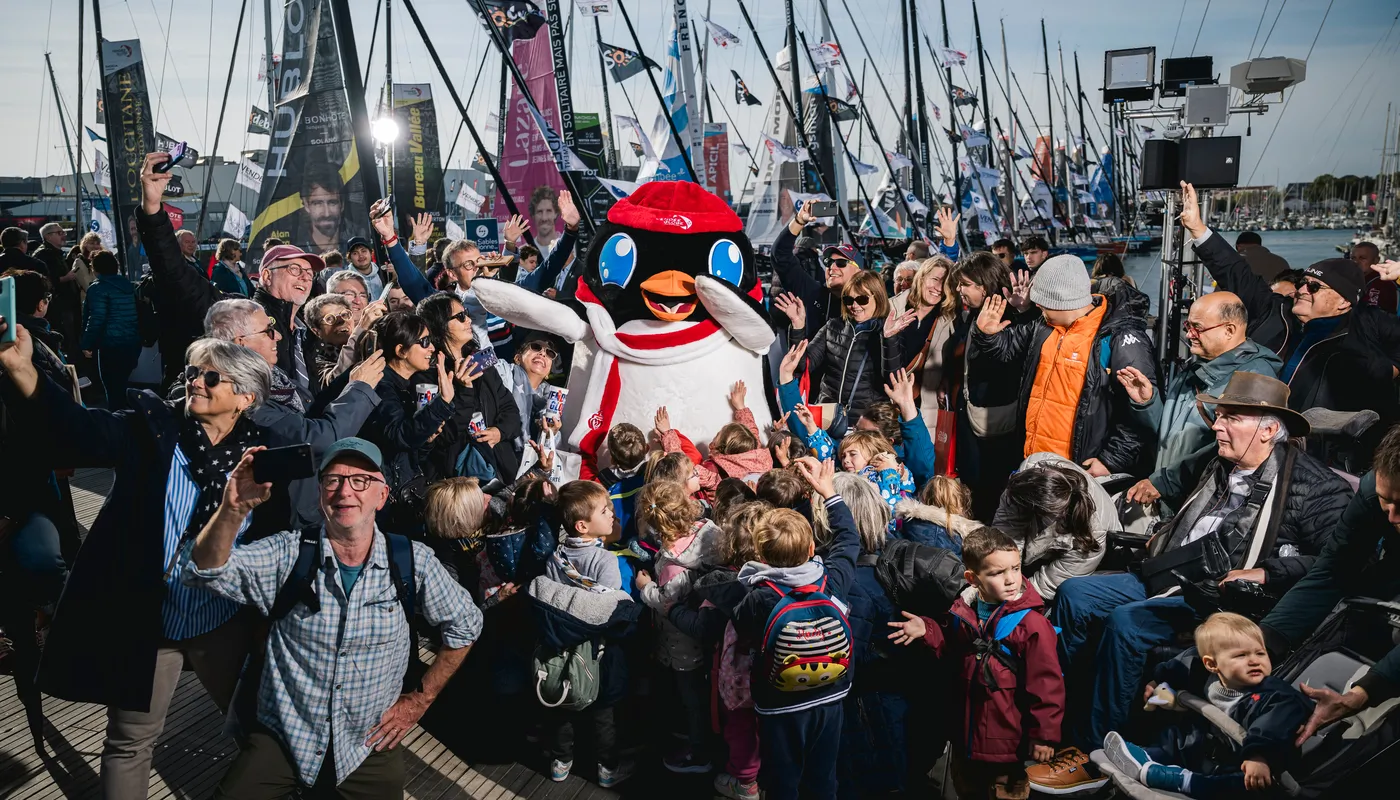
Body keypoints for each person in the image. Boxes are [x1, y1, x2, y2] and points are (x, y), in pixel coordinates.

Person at [0, 331, 282, 799]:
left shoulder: (266, 452)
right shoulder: (152, 429)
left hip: (221, 617)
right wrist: (21, 369)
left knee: (257, 728)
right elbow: (77, 428)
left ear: (245, 397)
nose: (196, 381)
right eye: (193, 372)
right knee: (129, 742)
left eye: (212, 376)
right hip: (149, 620)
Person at [1039, 373, 1349, 786]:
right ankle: (1056, 725)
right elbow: (1177, 498)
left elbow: (1338, 562)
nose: (1217, 426)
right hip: (1168, 571)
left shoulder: (1316, 488)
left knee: (1129, 624)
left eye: (1230, 418)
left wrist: (1267, 570)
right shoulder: (1217, 462)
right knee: (1076, 592)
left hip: (1221, 599)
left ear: (1269, 429)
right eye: (1218, 416)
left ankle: (1098, 752)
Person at [183, 437, 483, 796]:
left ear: (382, 496)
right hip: (285, 737)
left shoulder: (412, 561)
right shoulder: (289, 553)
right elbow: (202, 571)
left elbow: (466, 624)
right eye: (333, 480)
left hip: (366, 744)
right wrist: (232, 510)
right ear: (320, 494)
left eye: (361, 481)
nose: (345, 491)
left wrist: (421, 699)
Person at [1181, 181, 1400, 430]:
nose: (1302, 290)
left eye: (1315, 287)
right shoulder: (1277, 311)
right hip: (1258, 437)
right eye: (1303, 282)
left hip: (1321, 451)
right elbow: (1235, 271)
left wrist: (1392, 369)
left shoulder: (1363, 329)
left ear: (1342, 302)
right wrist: (1198, 229)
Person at [887, 526, 1063, 800]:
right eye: (997, 573)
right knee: (967, 790)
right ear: (973, 578)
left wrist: (1044, 735)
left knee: (1005, 794)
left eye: (1015, 569)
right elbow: (950, 646)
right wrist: (927, 628)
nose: (1010, 580)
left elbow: (1047, 684)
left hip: (1006, 747)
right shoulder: (963, 611)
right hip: (965, 740)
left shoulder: (1031, 625)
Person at [139, 151, 323, 398]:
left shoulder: (306, 329)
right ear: (266, 276)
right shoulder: (237, 314)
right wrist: (152, 210)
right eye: (294, 269)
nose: (305, 277)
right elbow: (174, 273)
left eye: (309, 273)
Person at [1258, 423, 1400, 743]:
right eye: (1385, 501)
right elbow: (1332, 571)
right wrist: (1261, 642)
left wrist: (1364, 692)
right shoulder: (1374, 488)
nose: (1391, 517)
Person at [201, 297, 385, 535]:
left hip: (301, 506)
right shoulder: (240, 395)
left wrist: (352, 378)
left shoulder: (272, 375)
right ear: (241, 343)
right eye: (268, 331)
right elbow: (315, 437)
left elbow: (311, 412)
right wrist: (359, 391)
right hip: (280, 524)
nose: (277, 336)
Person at [732, 457, 857, 800]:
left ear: (760, 553)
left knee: (783, 777)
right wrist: (828, 492)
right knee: (823, 774)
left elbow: (741, 626)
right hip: (831, 696)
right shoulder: (832, 582)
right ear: (813, 548)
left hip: (779, 703)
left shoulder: (760, 596)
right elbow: (849, 537)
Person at [970, 253, 1157, 478]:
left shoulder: (1121, 339)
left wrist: (1110, 462)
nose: (1038, 305)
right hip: (1034, 461)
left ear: (1062, 300)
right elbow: (1008, 349)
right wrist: (986, 334)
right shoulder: (1045, 325)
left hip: (1079, 471)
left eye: (1043, 302)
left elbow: (1139, 413)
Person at [1101, 613, 1313, 798]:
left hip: (1252, 761)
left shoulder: (1276, 695)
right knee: (1180, 734)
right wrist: (1159, 680)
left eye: (1260, 653)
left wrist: (1259, 756)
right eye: (1241, 655)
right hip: (1212, 746)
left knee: (1243, 785)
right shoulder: (1206, 676)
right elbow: (1184, 664)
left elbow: (1272, 726)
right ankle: (1153, 756)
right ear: (1212, 664)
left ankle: (1185, 781)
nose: (1254, 660)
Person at [1117, 291, 1283, 510]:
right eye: (1188, 326)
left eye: (1198, 328)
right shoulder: (1195, 369)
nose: (1189, 334)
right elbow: (1171, 437)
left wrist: (1165, 481)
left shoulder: (1255, 379)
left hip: (1203, 505)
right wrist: (1148, 403)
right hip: (1173, 498)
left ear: (1229, 330)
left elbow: (1229, 453)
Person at [541, 479, 635, 787]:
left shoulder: (556, 557)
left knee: (564, 705)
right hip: (598, 651)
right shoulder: (605, 560)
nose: (612, 515)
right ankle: (607, 769)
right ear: (583, 525)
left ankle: (560, 760)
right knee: (603, 712)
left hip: (562, 646)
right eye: (605, 511)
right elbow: (610, 609)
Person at [634, 480, 722, 774]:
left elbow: (665, 601)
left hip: (682, 643)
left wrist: (645, 588)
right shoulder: (709, 531)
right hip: (710, 630)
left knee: (692, 699)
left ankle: (699, 752)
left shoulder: (674, 565)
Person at [359, 311, 461, 510]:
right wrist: (443, 402)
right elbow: (399, 436)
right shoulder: (381, 385)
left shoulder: (404, 384)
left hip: (403, 490)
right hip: (386, 501)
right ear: (401, 351)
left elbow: (408, 452)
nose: (431, 348)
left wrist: (426, 440)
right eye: (423, 342)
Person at [418, 292, 522, 482]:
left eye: (466, 313)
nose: (468, 320)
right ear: (439, 325)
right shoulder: (429, 374)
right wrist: (463, 389)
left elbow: (511, 410)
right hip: (459, 480)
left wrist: (499, 432)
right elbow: (443, 436)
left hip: (502, 471)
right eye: (460, 317)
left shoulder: (481, 361)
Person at [775, 270, 905, 420]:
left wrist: (889, 338)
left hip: (867, 422)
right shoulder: (833, 326)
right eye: (849, 300)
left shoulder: (890, 331)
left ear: (879, 297)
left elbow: (893, 381)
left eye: (862, 299)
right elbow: (803, 365)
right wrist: (798, 326)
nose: (855, 306)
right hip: (828, 417)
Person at [992, 453, 1114, 601]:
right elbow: (1007, 525)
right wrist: (1002, 571)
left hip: (1082, 554)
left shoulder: (1095, 529)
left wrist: (1017, 597)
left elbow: (1056, 578)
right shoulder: (1029, 474)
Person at [892, 256, 956, 422]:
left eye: (945, 283)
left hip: (926, 411)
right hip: (888, 405)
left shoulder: (951, 321)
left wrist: (947, 379)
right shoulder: (891, 308)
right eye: (935, 279)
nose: (939, 288)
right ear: (921, 277)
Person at [81, 251, 142, 410]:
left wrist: (87, 343)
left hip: (110, 345)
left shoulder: (97, 288)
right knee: (122, 384)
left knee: (112, 389)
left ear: (95, 269)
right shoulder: (128, 285)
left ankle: (119, 424)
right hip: (131, 342)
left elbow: (96, 319)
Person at [32, 222, 79, 353]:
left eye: (64, 232)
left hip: (65, 304)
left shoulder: (57, 253)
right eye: (60, 233)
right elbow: (44, 281)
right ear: (48, 237)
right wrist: (66, 278)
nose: (64, 235)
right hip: (56, 307)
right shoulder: (43, 255)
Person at [1351, 240, 1398, 314]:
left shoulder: (1383, 283)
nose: (1356, 262)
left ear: (1376, 260)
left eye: (1362, 258)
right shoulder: (1353, 280)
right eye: (1353, 258)